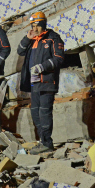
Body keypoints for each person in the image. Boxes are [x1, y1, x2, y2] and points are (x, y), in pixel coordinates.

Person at [17, 11, 65, 154]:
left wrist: (42, 67)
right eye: (33, 25)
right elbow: (20, 51)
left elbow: (59, 58)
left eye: (37, 25)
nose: (34, 28)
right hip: (34, 84)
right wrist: (27, 38)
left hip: (47, 82)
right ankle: (42, 142)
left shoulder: (53, 38)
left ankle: (47, 143)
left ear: (43, 24)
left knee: (44, 113)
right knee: (35, 114)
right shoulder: (32, 39)